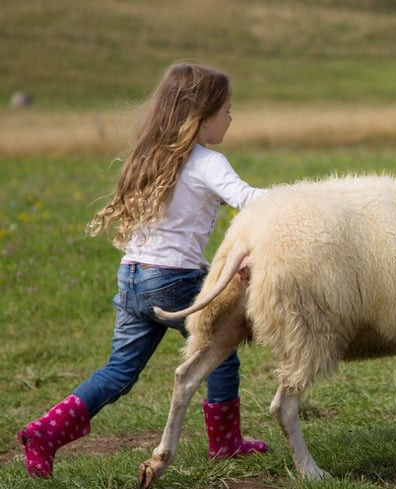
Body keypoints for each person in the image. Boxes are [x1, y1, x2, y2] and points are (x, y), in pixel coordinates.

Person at [17, 62, 268, 478]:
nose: (230, 117)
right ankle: (225, 444)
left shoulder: (154, 155)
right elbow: (247, 198)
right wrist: (300, 200)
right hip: (175, 281)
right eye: (226, 109)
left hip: (133, 277)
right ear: (201, 115)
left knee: (118, 371)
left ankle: (45, 432)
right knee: (220, 353)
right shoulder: (208, 162)